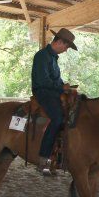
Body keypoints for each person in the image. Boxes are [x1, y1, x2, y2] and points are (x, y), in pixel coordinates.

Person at [31, 27, 77, 175]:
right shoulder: (42, 56)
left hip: (52, 92)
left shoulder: (52, 58)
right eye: (67, 46)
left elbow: (56, 80)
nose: (66, 50)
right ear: (60, 42)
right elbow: (43, 80)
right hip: (43, 92)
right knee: (57, 118)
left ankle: (58, 155)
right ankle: (43, 157)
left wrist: (65, 86)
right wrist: (61, 88)